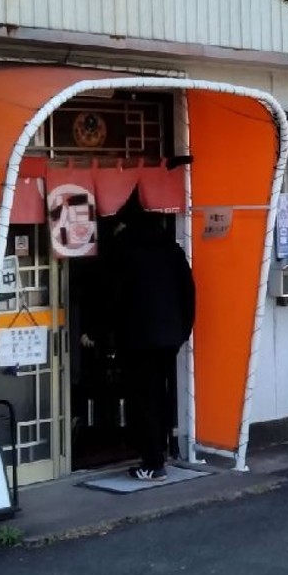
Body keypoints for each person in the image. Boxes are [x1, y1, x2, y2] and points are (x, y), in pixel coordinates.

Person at [109, 190, 196, 483]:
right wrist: (183, 329)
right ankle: (161, 453)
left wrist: (104, 333)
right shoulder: (171, 248)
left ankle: (153, 462)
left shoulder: (124, 249)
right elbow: (188, 292)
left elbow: (114, 297)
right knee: (161, 395)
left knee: (142, 399)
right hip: (168, 337)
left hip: (137, 338)